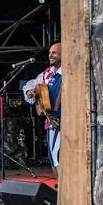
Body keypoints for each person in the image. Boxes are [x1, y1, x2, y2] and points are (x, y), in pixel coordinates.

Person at [22, 42, 62, 179]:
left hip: (67, 120)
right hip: (53, 121)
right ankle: (60, 189)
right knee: (53, 155)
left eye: (54, 53)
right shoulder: (47, 74)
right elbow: (31, 85)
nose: (50, 55)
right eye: (50, 52)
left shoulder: (69, 72)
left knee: (59, 154)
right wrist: (29, 92)